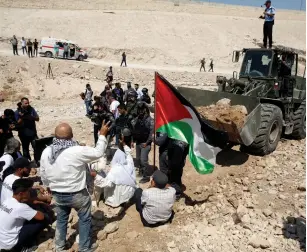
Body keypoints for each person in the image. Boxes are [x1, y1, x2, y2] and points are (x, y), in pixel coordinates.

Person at [40, 121, 110, 252]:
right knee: (84, 219)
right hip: (77, 193)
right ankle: (84, 248)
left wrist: (48, 186)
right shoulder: (76, 150)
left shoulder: (47, 151)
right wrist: (102, 135)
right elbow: (98, 152)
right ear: (72, 135)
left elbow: (43, 173)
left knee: (61, 219)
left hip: (57, 193)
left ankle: (59, 246)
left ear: (55, 136)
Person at [91, 129, 137, 207]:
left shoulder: (115, 171)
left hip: (116, 200)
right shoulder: (129, 163)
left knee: (102, 178)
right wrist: (124, 145)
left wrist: (95, 175)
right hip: (128, 194)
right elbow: (128, 153)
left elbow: (105, 183)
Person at [0, 179, 48, 251]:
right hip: (11, 245)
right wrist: (41, 205)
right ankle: (23, 247)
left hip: (2, 242)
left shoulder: (7, 201)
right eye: (28, 191)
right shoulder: (20, 207)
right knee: (45, 219)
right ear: (21, 194)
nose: (30, 193)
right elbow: (41, 217)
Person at [131, 102, 154, 183]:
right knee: (138, 159)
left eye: (142, 109)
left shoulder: (150, 120)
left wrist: (147, 142)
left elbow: (151, 133)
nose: (140, 111)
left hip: (145, 143)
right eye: (139, 109)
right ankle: (141, 172)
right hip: (138, 142)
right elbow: (134, 130)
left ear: (145, 110)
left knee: (143, 160)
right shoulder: (137, 119)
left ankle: (146, 176)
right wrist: (132, 141)